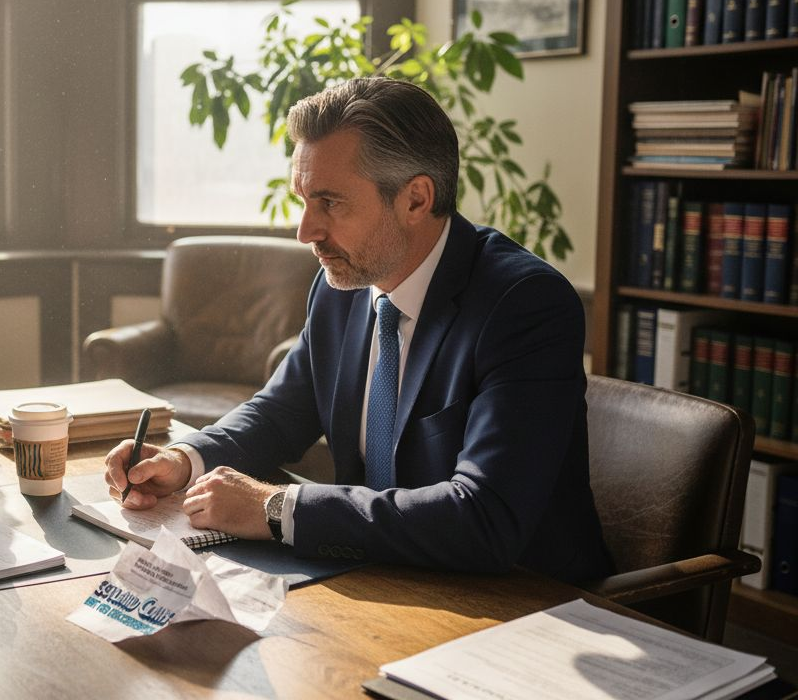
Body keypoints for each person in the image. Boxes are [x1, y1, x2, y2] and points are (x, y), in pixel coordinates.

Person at [106, 77, 612, 583]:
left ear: (415, 199)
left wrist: (277, 507)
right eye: (303, 199)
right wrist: (181, 460)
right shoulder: (340, 287)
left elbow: (483, 517)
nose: (306, 232)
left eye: (330, 202)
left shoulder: (524, 305)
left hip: (519, 601)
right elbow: (279, 414)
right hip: (377, 577)